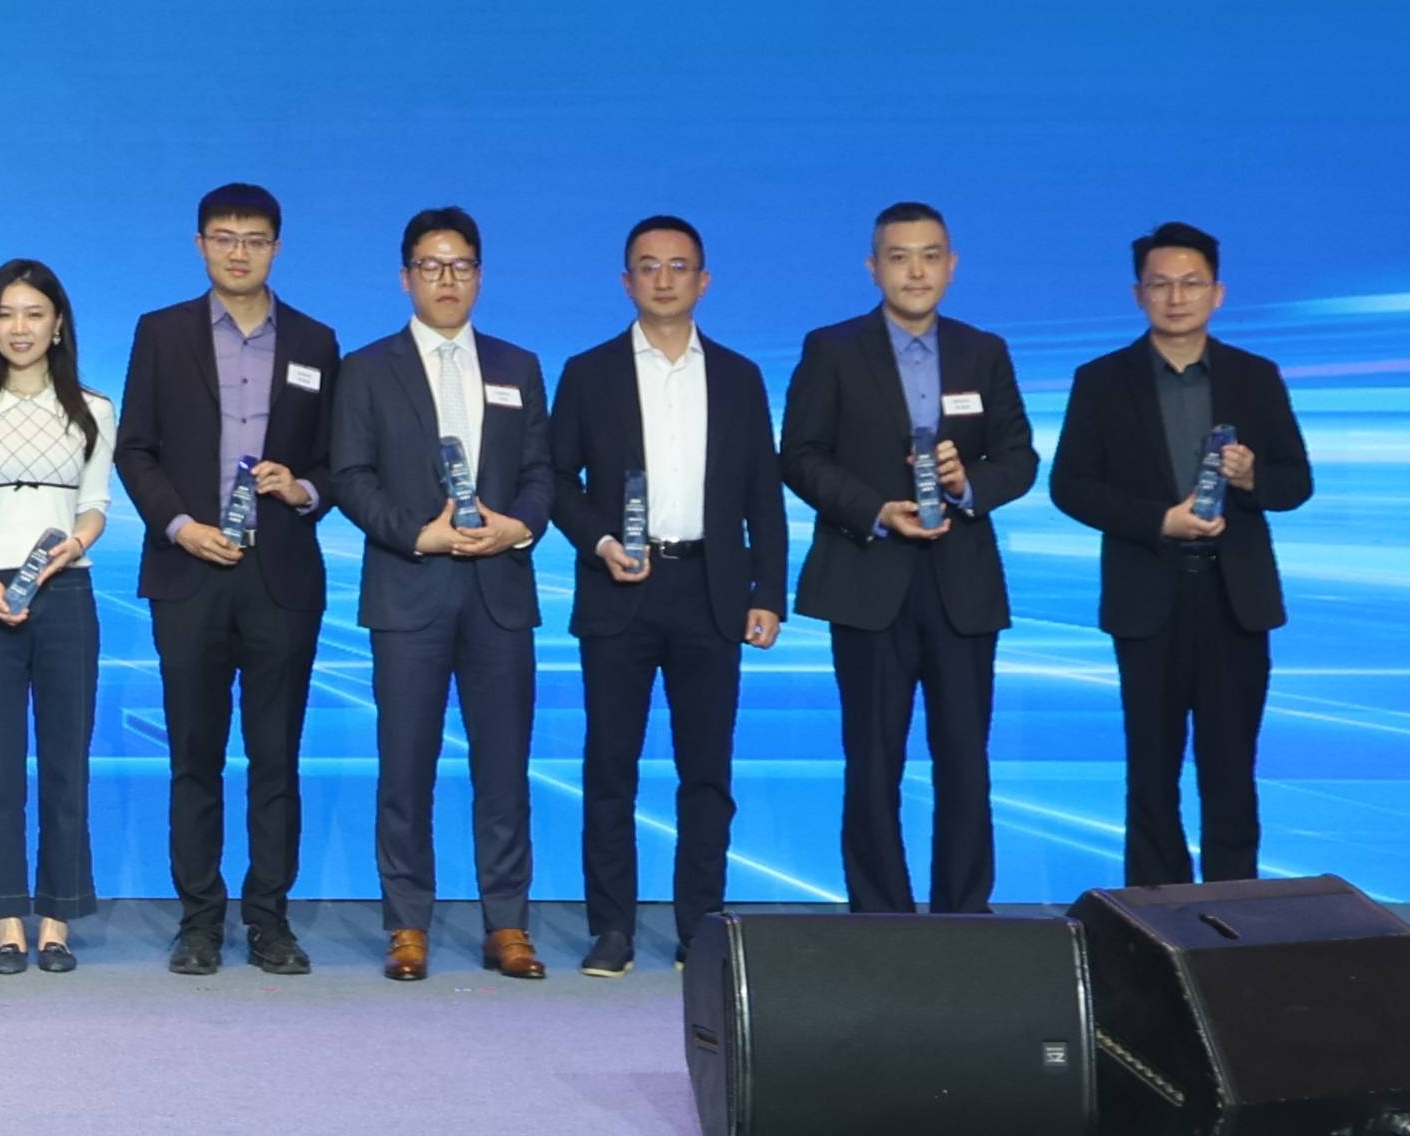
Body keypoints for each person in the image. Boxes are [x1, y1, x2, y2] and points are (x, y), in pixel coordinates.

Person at [544, 213, 787, 976]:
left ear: (703, 281)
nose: (663, 279)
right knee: (610, 769)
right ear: (626, 281)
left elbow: (764, 493)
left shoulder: (740, 376)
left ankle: (700, 928)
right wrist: (599, 541)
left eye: (679, 266)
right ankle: (611, 929)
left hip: (713, 590)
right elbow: (556, 480)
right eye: (648, 266)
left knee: (706, 772)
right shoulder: (589, 372)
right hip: (621, 587)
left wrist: (769, 592)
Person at [782, 200, 1040, 917]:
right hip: (867, 577)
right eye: (899, 257)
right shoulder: (832, 349)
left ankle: (965, 916)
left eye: (930, 256)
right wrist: (875, 509)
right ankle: (880, 919)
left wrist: (968, 485)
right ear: (874, 268)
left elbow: (1020, 457)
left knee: (966, 763)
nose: (916, 271)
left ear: (951, 266)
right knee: (872, 763)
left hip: (962, 585)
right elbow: (799, 456)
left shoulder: (984, 351)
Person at [112, 181, 342, 977]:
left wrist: (301, 488)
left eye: (254, 239)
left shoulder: (316, 341)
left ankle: (270, 921)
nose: (238, 252)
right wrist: (181, 525)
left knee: (276, 759)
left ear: (276, 247)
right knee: (194, 757)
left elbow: (337, 464)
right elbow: (134, 450)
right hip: (190, 573)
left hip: (281, 576)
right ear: (200, 245)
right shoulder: (161, 332)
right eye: (223, 237)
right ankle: (200, 922)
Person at [323, 207, 553, 984]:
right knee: (405, 767)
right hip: (408, 587)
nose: (446, 279)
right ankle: (407, 924)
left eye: (460, 266)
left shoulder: (519, 366)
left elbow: (542, 472)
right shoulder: (367, 368)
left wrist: (517, 526)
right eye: (431, 266)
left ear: (480, 277)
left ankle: (508, 922)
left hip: (499, 591)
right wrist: (416, 535)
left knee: (504, 768)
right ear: (405, 278)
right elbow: (350, 475)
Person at [1051, 223, 1313, 888]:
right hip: (1148, 598)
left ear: (1217, 293)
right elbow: (1070, 486)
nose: (1176, 297)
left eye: (1191, 283)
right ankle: (1152, 917)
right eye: (1161, 284)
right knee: (1151, 772)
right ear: (1138, 294)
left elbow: (1295, 483)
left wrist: (1252, 478)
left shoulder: (1255, 376)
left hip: (1235, 601)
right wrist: (1157, 522)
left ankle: (1236, 917)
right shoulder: (1101, 380)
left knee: (1232, 772)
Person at [0, 262, 112, 973]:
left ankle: (57, 919)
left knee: (65, 762)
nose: (20, 328)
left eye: (34, 313)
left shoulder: (94, 409)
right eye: (5, 314)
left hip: (67, 593)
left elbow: (95, 503)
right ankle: (6, 921)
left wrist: (71, 546)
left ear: (58, 325)